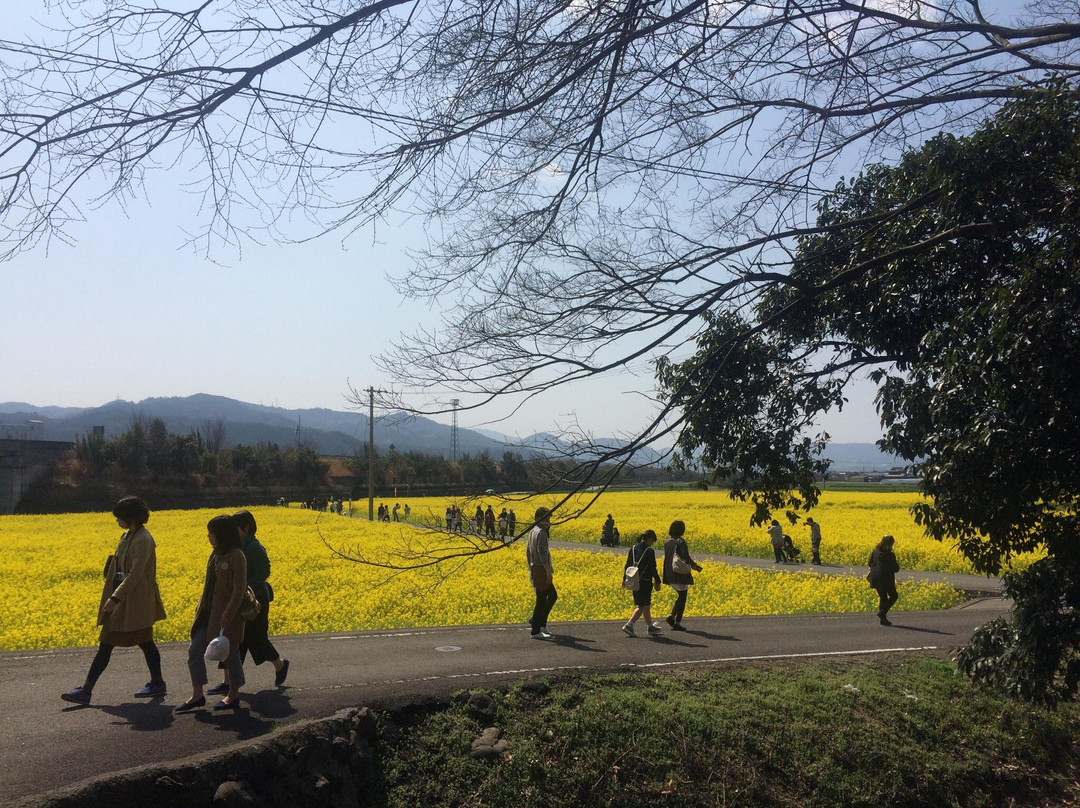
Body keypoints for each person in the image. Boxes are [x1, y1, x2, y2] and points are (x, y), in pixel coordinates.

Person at [62, 496, 167, 706]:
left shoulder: (143, 540)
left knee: (138, 641)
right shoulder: (127, 536)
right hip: (125, 601)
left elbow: (136, 574)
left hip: (135, 602)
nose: (117, 521)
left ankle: (88, 690)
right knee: (118, 642)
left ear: (131, 518)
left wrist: (114, 598)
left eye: (120, 517)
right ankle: (88, 689)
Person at [207, 510, 289, 696]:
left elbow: (264, 572)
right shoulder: (236, 546)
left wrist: (243, 586)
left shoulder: (254, 547)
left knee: (257, 638)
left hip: (255, 601)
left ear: (246, 528)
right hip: (239, 600)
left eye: (236, 528)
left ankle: (280, 665)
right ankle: (228, 682)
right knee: (233, 640)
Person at [176, 515, 248, 713]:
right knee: (194, 652)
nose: (209, 536)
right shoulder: (215, 553)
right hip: (207, 615)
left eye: (212, 533)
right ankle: (197, 694)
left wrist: (229, 613)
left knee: (231, 656)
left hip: (227, 617)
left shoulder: (237, 556)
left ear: (222, 534)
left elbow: (239, 589)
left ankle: (233, 694)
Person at [662, 520, 703, 631]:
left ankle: (672, 617)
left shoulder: (667, 541)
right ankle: (677, 622)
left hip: (669, 572)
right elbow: (686, 557)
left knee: (681, 596)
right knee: (683, 597)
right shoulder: (680, 541)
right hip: (679, 573)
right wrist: (695, 566)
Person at [623, 530, 663, 636]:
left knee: (646, 604)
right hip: (645, 581)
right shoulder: (649, 551)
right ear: (649, 539)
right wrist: (658, 580)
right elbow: (652, 568)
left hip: (633, 580)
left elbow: (627, 565)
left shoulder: (633, 548)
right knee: (642, 605)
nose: (652, 544)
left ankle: (650, 627)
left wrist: (624, 579)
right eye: (652, 541)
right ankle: (629, 625)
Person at [526, 507, 557, 639]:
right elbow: (541, 552)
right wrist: (547, 571)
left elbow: (528, 551)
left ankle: (540, 623)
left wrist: (530, 567)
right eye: (546, 518)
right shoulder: (541, 532)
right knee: (541, 600)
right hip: (541, 569)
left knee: (551, 596)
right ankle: (535, 630)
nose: (548, 521)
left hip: (535, 568)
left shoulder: (533, 531)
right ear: (539, 519)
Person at [868, 534, 901, 626]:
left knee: (883, 597)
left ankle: (883, 619)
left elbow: (869, 563)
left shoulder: (875, 551)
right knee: (894, 596)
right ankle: (882, 613)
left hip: (875, 578)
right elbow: (896, 569)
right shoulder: (890, 555)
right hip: (886, 580)